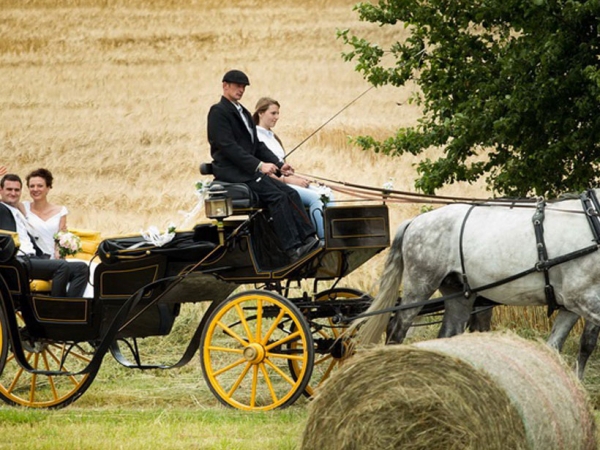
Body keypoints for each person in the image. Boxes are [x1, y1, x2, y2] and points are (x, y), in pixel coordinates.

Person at [207, 70, 319, 261]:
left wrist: (279, 164)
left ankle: (309, 239)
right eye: (237, 86)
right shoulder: (218, 112)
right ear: (225, 85)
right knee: (277, 197)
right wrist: (259, 165)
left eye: (243, 87)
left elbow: (256, 145)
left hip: (248, 170)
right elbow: (227, 147)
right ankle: (292, 249)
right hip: (234, 172)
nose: (241, 90)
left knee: (290, 193)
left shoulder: (242, 112)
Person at [253, 97, 332, 240]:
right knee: (315, 198)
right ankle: (323, 239)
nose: (277, 117)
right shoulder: (256, 137)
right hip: (274, 185)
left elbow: (280, 167)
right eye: (273, 113)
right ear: (260, 113)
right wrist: (288, 181)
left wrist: (295, 177)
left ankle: (335, 235)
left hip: (285, 181)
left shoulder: (272, 137)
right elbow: (262, 170)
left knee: (327, 194)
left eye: (278, 113)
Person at [0, 173, 88, 298]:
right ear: (1, 190)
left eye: (17, 190)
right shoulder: (1, 208)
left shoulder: (17, 210)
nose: (13, 193)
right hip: (18, 261)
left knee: (81, 268)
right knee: (61, 266)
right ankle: (56, 310)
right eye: (9, 189)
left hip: (34, 258)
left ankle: (71, 309)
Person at [23, 168, 96, 297]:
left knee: (84, 268)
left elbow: (61, 235)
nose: (35, 189)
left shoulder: (60, 211)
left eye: (40, 185)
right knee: (62, 267)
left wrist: (59, 251)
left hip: (54, 258)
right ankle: (57, 306)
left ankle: (70, 306)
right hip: (36, 258)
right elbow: (5, 200)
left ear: (48, 187)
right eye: (31, 186)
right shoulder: (23, 207)